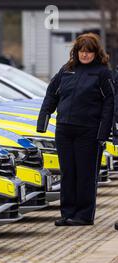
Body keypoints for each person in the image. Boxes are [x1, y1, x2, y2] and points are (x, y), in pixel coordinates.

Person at [37, 33, 117, 227]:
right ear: (76, 52)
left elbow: (110, 103)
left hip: (89, 131)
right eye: (82, 51)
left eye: (89, 52)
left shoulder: (102, 73)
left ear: (96, 53)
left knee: (86, 174)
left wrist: (103, 133)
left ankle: (84, 215)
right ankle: (68, 213)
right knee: (68, 172)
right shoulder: (67, 70)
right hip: (64, 129)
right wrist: (43, 119)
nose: (85, 55)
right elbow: (51, 94)